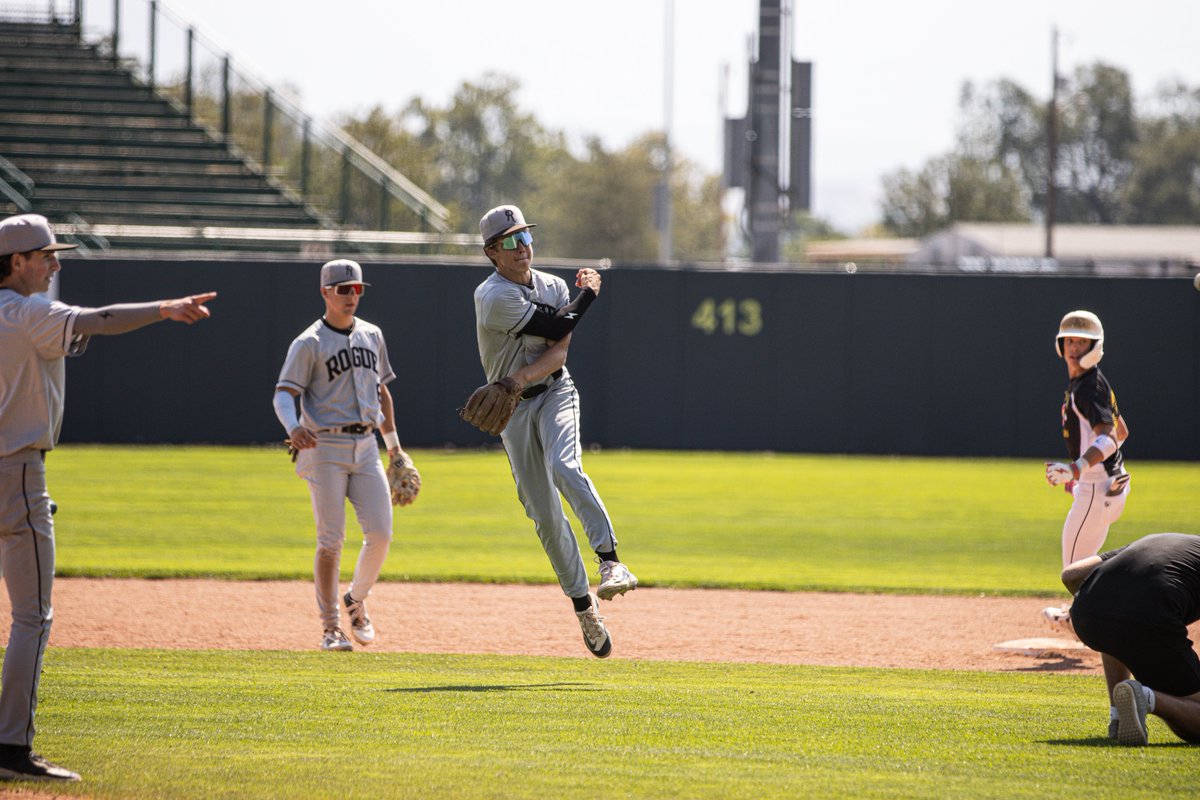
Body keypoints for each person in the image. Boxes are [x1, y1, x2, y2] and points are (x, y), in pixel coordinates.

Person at [0, 213, 216, 782]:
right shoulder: (26, 314)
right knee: (32, 616)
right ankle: (11, 748)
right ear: (16, 262)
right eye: (45, 255)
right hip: (16, 471)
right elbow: (99, 319)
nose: (55, 263)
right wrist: (163, 308)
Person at [471, 204, 636, 659]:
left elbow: (558, 354)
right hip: (513, 414)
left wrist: (516, 379)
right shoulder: (492, 297)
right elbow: (558, 323)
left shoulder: (553, 285)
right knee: (544, 515)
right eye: (509, 241)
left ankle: (610, 562)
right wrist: (590, 294)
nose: (522, 246)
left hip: (554, 392)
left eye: (525, 236)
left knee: (566, 464)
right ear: (492, 252)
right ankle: (585, 608)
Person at [274, 258, 418, 652]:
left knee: (381, 533)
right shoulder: (309, 343)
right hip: (323, 448)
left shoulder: (372, 334)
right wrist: (293, 427)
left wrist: (395, 449)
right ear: (325, 292)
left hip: (366, 445)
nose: (352, 296)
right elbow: (283, 393)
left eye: (357, 289)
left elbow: (382, 393)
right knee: (331, 541)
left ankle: (355, 599)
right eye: (343, 289)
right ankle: (330, 628)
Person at [1062, 533, 1200, 746]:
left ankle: (1117, 717)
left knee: (1113, 610)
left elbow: (1071, 575)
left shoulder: (1160, 539)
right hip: (1148, 617)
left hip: (1086, 614)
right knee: (1195, 715)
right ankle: (1145, 698)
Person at [1042, 310, 1130, 636]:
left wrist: (1078, 468)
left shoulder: (1087, 387)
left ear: (1095, 345)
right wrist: (1082, 472)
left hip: (1097, 488)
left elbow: (1109, 438)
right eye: (1070, 340)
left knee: (1074, 571)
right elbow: (1122, 432)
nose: (1074, 346)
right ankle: (1081, 617)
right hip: (1108, 485)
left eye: (1082, 341)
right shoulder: (1091, 382)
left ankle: (1084, 624)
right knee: (1084, 564)